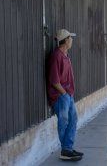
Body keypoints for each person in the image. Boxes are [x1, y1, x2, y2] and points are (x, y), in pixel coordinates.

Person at [47, 29, 83, 161]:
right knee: (64, 121)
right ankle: (65, 150)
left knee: (73, 120)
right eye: (70, 38)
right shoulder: (56, 56)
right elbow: (55, 81)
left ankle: (68, 147)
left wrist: (68, 94)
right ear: (66, 40)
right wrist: (64, 94)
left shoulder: (65, 55)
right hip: (61, 95)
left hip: (68, 95)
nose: (72, 40)